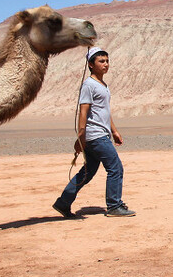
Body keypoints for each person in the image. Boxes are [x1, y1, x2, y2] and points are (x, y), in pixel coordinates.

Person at [53, 46, 134, 218]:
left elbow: (104, 111)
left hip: (101, 134)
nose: (106, 64)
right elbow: (83, 112)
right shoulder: (89, 85)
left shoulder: (103, 85)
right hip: (95, 135)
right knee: (115, 168)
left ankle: (63, 203)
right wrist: (80, 137)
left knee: (87, 173)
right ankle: (114, 205)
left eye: (107, 61)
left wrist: (114, 130)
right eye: (101, 61)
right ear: (90, 64)